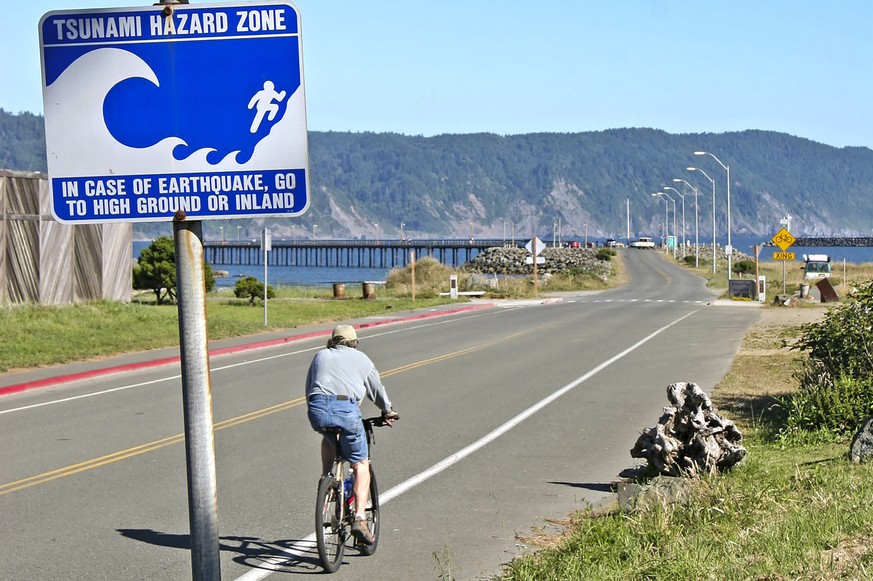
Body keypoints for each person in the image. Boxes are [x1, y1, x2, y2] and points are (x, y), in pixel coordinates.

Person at [305, 324, 399, 545]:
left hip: (317, 408)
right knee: (360, 464)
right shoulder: (362, 359)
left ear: (333, 341)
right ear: (354, 342)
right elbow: (376, 390)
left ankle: (326, 479)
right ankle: (359, 518)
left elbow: (310, 387)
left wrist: (317, 408)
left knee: (329, 436)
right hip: (346, 410)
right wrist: (387, 410)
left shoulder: (320, 356)